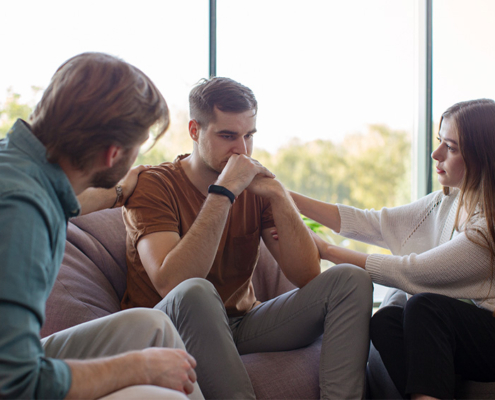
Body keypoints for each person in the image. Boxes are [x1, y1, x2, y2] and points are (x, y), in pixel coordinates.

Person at [121, 76, 373, 399]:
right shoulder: (156, 185)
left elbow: (307, 275)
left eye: (248, 135)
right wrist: (223, 192)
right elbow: (172, 283)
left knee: (351, 281)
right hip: (169, 325)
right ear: (194, 131)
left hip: (239, 324)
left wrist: (279, 197)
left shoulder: (254, 186)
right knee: (196, 291)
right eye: (227, 136)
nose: (241, 149)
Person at [0, 52, 203, 400]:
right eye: (136, 149)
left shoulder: (22, 167)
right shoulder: (23, 210)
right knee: (160, 396)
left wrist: (122, 190)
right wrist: (142, 368)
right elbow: (15, 381)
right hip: (13, 378)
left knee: (150, 325)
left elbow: (70, 202)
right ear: (113, 155)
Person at [288, 98, 495, 399]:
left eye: (450, 148)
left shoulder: (488, 226)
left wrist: (326, 250)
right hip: (462, 335)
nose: (435, 154)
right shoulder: (448, 201)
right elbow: (373, 223)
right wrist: (284, 196)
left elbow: (411, 273)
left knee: (425, 306)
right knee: (385, 322)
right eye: (439, 142)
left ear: (481, 156)